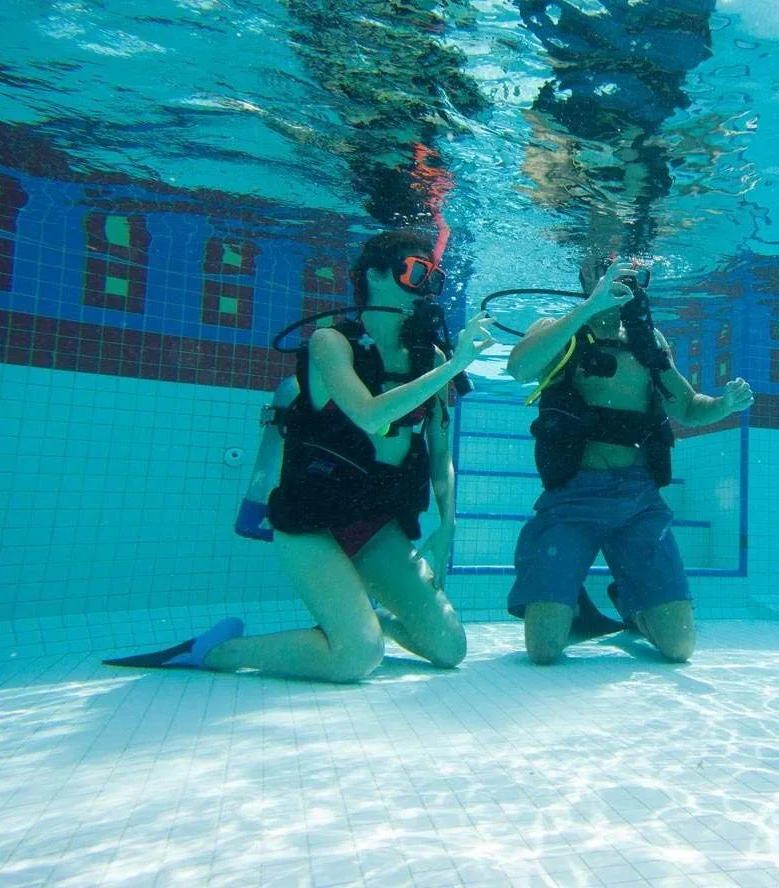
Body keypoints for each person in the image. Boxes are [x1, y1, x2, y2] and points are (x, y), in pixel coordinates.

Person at [107, 230, 495, 682]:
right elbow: (369, 415)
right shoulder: (330, 342)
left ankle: (367, 625)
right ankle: (216, 651)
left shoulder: (428, 354)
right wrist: (453, 365)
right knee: (356, 658)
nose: (425, 287)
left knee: (450, 648)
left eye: (434, 277)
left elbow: (439, 449)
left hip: (373, 521)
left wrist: (447, 526)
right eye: (415, 272)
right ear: (373, 274)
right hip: (312, 520)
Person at [505, 256, 755, 665]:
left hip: (638, 500)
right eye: (607, 271)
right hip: (572, 498)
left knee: (679, 647)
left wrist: (724, 404)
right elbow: (519, 368)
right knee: (543, 651)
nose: (621, 280)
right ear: (587, 275)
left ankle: (632, 601)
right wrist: (590, 307)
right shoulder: (560, 330)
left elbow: (689, 407)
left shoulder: (647, 338)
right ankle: (573, 604)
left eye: (631, 273)